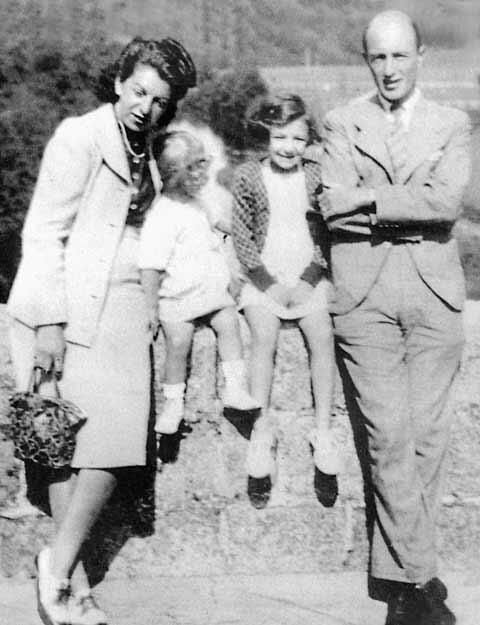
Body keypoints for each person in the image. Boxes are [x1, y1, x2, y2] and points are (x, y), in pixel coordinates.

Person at [7, 37, 196, 625]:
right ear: (118, 83)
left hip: (120, 307)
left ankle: (58, 571)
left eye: (161, 100)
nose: (146, 106)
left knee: (112, 447)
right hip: (68, 308)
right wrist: (49, 323)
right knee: (69, 447)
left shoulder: (148, 148)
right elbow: (42, 233)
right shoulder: (79, 136)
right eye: (138, 91)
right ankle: (71, 583)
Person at [319, 10, 471, 625]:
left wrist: (369, 199)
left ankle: (402, 595)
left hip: (435, 295)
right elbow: (332, 209)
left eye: (399, 57)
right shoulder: (340, 121)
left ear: (420, 55)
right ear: (366, 61)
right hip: (364, 297)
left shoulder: (452, 122)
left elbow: (447, 201)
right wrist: (398, 207)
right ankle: (425, 585)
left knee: (427, 442)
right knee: (386, 440)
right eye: (377, 58)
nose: (388, 70)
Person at [232, 93, 339, 506]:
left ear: (308, 139)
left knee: (322, 338)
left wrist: (311, 277)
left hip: (308, 277)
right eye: (280, 137)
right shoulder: (248, 176)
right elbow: (242, 236)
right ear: (266, 136)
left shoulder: (315, 175)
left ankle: (324, 432)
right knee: (263, 338)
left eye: (297, 138)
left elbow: (328, 230)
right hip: (264, 279)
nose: (288, 147)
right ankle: (262, 433)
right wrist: (268, 283)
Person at [139, 130, 258, 435]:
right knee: (177, 344)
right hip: (178, 299)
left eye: (202, 164)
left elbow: (221, 222)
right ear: (172, 174)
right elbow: (151, 265)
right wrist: (150, 308)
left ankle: (235, 388)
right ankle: (173, 403)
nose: (202, 173)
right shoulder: (162, 215)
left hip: (211, 294)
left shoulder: (199, 202)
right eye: (193, 167)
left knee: (229, 324)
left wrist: (245, 233)